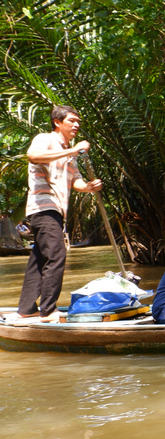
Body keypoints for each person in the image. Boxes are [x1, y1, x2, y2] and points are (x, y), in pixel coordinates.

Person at [17, 105, 103, 323]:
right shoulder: (45, 139)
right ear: (57, 122)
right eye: (71, 120)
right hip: (43, 207)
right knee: (56, 255)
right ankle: (48, 311)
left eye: (78, 121)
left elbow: (76, 181)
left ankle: (26, 309)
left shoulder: (69, 151)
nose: (76, 125)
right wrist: (72, 151)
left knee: (39, 259)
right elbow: (34, 156)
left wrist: (90, 186)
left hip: (57, 210)